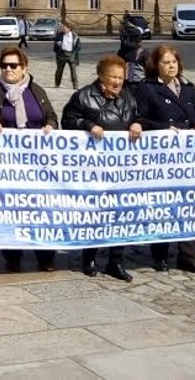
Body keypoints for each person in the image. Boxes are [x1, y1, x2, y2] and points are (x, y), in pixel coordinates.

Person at [0, 46, 60, 273]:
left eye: (13, 65)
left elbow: (51, 116)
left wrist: (50, 125)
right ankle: (12, 256)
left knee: (41, 209)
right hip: (8, 164)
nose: (8, 69)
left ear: (24, 68)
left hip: (37, 164)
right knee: (12, 210)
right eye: (4, 65)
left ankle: (45, 255)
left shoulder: (36, 91)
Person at [61, 55, 143, 280]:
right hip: (94, 168)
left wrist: (138, 123)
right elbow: (68, 121)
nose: (117, 81)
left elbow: (137, 115)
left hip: (122, 168)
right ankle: (89, 258)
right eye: (113, 77)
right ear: (101, 77)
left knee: (120, 215)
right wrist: (88, 125)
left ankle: (115, 261)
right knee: (95, 214)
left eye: (121, 77)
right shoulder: (83, 96)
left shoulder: (128, 96)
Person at [132, 45, 195, 273]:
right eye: (166, 62)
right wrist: (166, 128)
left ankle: (188, 255)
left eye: (174, 61)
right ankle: (160, 254)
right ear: (156, 65)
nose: (171, 66)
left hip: (187, 159)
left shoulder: (188, 87)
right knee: (163, 207)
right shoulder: (147, 89)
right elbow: (140, 119)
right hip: (161, 160)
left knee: (188, 206)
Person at [53, 21, 80, 89]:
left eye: (64, 28)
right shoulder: (59, 35)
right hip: (61, 54)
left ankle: (75, 85)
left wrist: (74, 53)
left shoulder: (75, 36)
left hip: (71, 54)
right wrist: (57, 49)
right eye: (62, 28)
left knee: (73, 71)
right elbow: (55, 44)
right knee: (59, 70)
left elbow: (78, 46)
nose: (63, 29)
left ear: (69, 28)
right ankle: (57, 84)